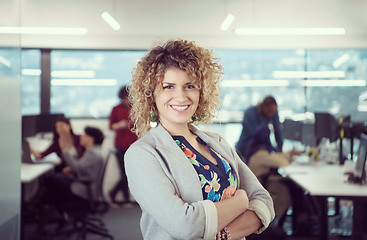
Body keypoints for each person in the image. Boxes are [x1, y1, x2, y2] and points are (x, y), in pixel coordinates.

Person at [125, 39, 275, 240]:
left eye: (190, 86)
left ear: (201, 91)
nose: (181, 96)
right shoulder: (142, 154)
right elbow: (185, 226)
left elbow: (264, 201)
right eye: (168, 86)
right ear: (151, 95)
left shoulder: (218, 143)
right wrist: (240, 202)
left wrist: (222, 236)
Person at [34, 126, 105, 238]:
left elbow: (77, 166)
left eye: (85, 135)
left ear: (91, 139)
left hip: (84, 190)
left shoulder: (93, 154)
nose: (81, 136)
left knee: (50, 181)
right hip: (85, 186)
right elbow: (81, 166)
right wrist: (72, 169)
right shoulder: (93, 151)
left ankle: (43, 209)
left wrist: (65, 149)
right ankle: (51, 211)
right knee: (53, 181)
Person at [108, 85, 138, 206]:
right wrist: (120, 125)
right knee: (124, 173)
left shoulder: (135, 108)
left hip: (133, 145)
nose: (127, 100)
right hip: (120, 145)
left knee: (129, 173)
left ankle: (115, 194)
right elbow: (111, 126)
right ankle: (123, 198)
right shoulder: (116, 109)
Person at [236, 96, 283, 163]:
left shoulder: (273, 112)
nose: (271, 115)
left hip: (260, 150)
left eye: (273, 112)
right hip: (245, 149)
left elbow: (278, 130)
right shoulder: (250, 113)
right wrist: (274, 149)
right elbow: (258, 135)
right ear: (263, 106)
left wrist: (280, 149)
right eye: (269, 111)